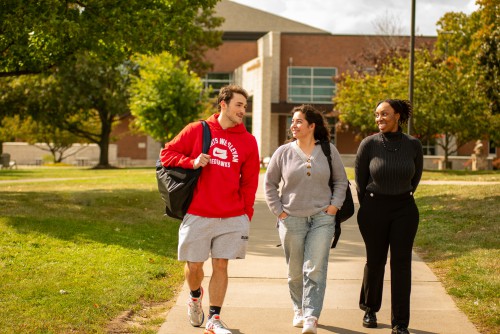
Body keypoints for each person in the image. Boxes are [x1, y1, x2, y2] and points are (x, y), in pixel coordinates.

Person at [159, 85, 260, 334]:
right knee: (194, 266)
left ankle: (214, 319)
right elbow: (166, 154)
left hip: (231, 215)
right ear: (223, 104)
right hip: (198, 212)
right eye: (239, 105)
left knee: (221, 265)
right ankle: (195, 296)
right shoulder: (198, 130)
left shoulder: (248, 141)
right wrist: (191, 161)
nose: (243, 111)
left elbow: (250, 181)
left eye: (245, 107)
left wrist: (246, 214)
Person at [264, 104, 348, 334]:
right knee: (295, 271)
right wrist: (279, 211)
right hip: (291, 219)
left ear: (312, 126)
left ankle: (311, 315)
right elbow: (269, 183)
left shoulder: (329, 151)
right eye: (293, 121)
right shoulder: (283, 152)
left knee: (315, 268)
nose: (293, 125)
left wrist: (333, 207)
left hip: (322, 218)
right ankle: (298, 310)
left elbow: (341, 181)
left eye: (299, 121)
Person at [355, 99, 423, 334]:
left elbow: (415, 180)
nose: (379, 119)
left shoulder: (413, 145)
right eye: (376, 115)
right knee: (375, 262)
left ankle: (400, 323)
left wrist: (398, 197)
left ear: (398, 116)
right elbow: (360, 182)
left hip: (404, 209)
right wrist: (373, 205)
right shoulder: (368, 144)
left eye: (384, 114)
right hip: (374, 208)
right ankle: (370, 309)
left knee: (402, 265)